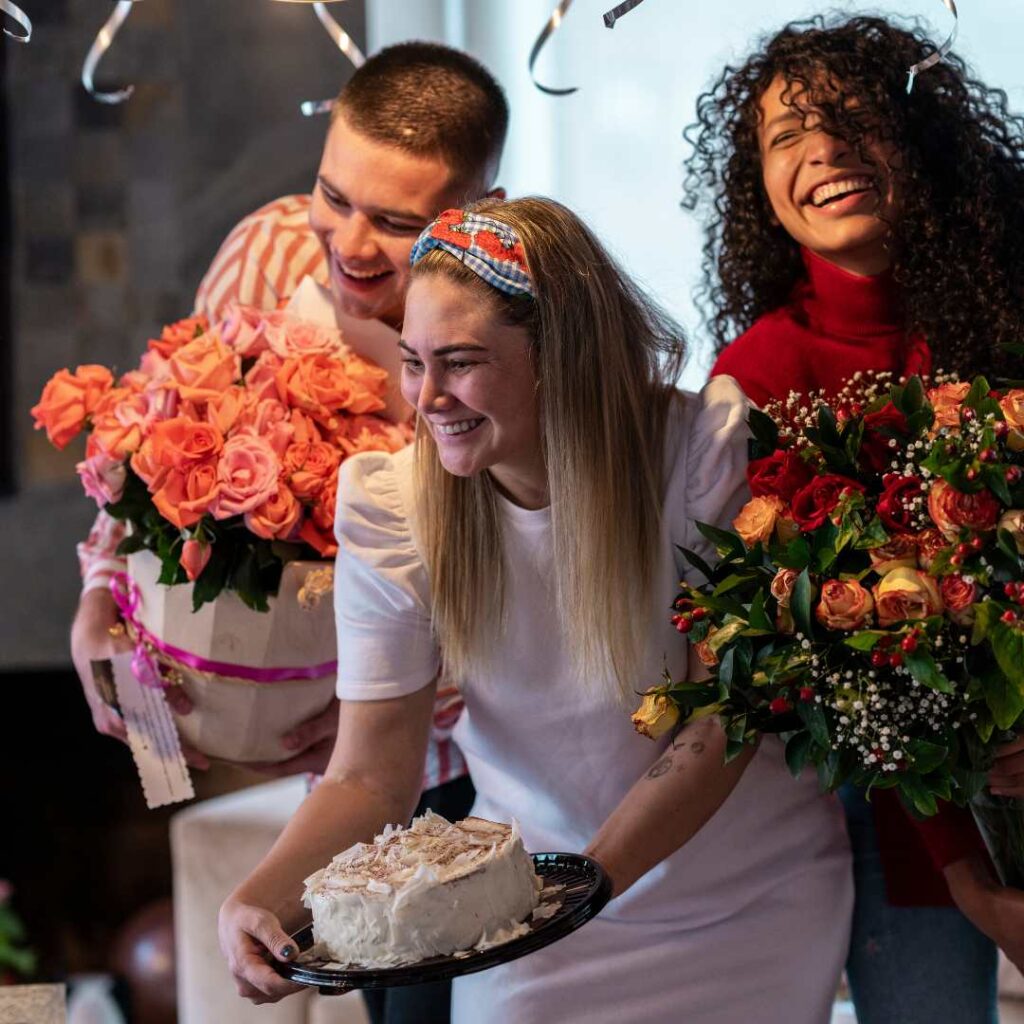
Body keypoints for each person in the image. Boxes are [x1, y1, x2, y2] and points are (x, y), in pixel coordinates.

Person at [218, 196, 853, 1024]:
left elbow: (721, 721)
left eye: (461, 361)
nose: (428, 396)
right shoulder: (394, 509)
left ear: (562, 355)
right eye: (413, 361)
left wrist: (581, 890)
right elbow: (370, 773)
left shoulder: (698, 452)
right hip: (532, 912)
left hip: (742, 899)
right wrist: (259, 898)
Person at [70, 41, 511, 1024]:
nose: (349, 244)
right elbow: (156, 458)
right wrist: (99, 602)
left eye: (396, 223)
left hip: (440, 786)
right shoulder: (268, 248)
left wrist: (396, 713)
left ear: (478, 215)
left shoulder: (505, 340)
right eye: (335, 196)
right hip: (254, 736)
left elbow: (528, 590)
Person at [683, 15, 1024, 1023]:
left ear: (918, 139)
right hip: (905, 824)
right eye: (785, 136)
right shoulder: (754, 383)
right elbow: (814, 671)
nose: (821, 151)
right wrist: (970, 882)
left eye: (848, 119)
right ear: (758, 185)